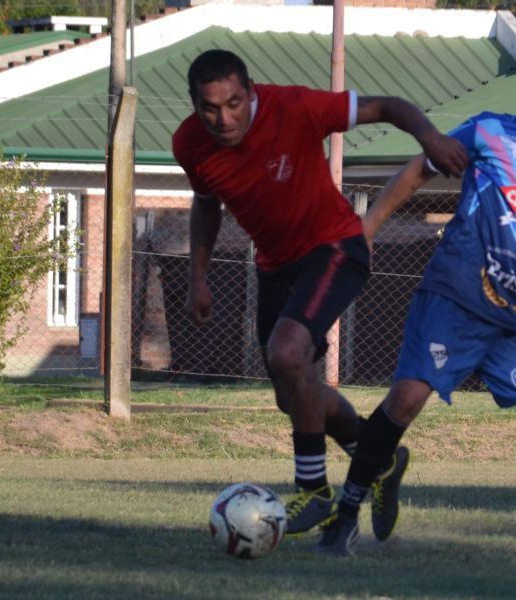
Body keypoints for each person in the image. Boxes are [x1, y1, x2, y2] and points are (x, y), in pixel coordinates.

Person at [315, 54, 516, 556]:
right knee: (404, 400)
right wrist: (367, 229)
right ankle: (344, 519)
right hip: (455, 298)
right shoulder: (490, 133)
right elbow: (419, 169)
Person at [171, 49, 467, 535]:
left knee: (288, 352)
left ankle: (314, 491)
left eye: (233, 103)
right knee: (294, 395)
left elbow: (389, 105)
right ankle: (379, 462)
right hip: (274, 266)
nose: (224, 118)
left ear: (251, 91)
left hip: (334, 247)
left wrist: (431, 137)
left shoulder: (295, 108)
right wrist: (197, 276)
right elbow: (206, 204)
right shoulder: (189, 144)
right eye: (210, 108)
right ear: (194, 105)